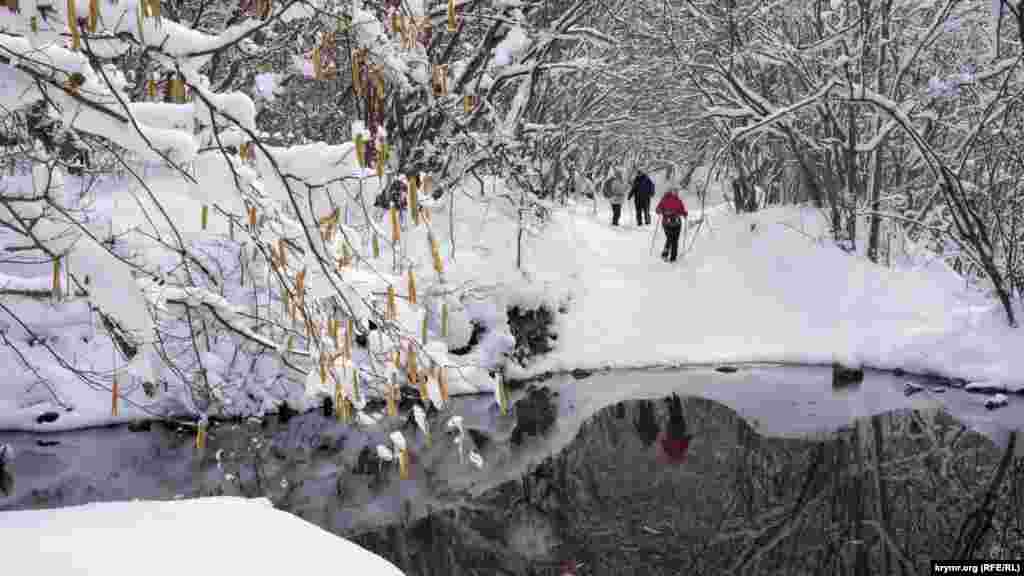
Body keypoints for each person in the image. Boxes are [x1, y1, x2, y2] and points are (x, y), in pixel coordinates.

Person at [655, 187, 688, 262]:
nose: (676, 193)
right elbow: (658, 209)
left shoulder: (676, 200)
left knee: (672, 239)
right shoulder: (668, 199)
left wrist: (684, 213)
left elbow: (682, 210)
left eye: (677, 192)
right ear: (671, 192)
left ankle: (669, 255)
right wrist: (659, 210)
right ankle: (669, 255)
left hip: (672, 222)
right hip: (671, 222)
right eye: (675, 191)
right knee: (672, 239)